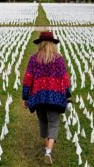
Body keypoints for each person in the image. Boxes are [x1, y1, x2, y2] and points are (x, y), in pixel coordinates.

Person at [22, 31, 71, 165]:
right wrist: (67, 94)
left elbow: (28, 79)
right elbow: (65, 78)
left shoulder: (34, 59)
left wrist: (25, 96)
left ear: (40, 44)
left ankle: (47, 147)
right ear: (52, 44)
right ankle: (48, 151)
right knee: (54, 123)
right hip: (56, 96)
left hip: (38, 97)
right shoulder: (59, 59)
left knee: (43, 122)